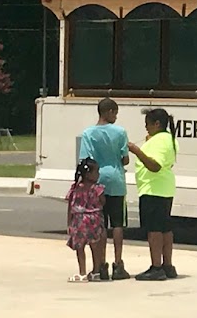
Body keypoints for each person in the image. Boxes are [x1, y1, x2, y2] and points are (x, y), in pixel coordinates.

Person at [79, 97, 130, 280]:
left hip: (97, 182)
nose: (116, 117)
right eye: (115, 113)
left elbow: (86, 160)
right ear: (109, 112)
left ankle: (101, 264)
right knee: (117, 224)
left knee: (100, 225)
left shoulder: (88, 133)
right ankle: (118, 264)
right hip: (116, 180)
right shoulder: (120, 132)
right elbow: (125, 159)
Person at [128, 108, 179, 281]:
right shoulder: (168, 139)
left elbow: (155, 166)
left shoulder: (159, 141)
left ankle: (156, 266)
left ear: (157, 124)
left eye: (148, 125)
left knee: (154, 230)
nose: (146, 129)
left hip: (153, 189)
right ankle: (167, 265)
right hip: (164, 188)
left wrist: (137, 151)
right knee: (165, 228)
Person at [66, 157, 106, 283]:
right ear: (88, 174)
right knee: (95, 246)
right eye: (96, 171)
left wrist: (69, 223)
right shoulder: (97, 188)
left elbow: (70, 206)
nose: (98, 174)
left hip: (79, 220)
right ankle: (96, 271)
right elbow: (103, 202)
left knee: (80, 247)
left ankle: (82, 272)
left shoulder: (75, 188)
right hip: (94, 220)